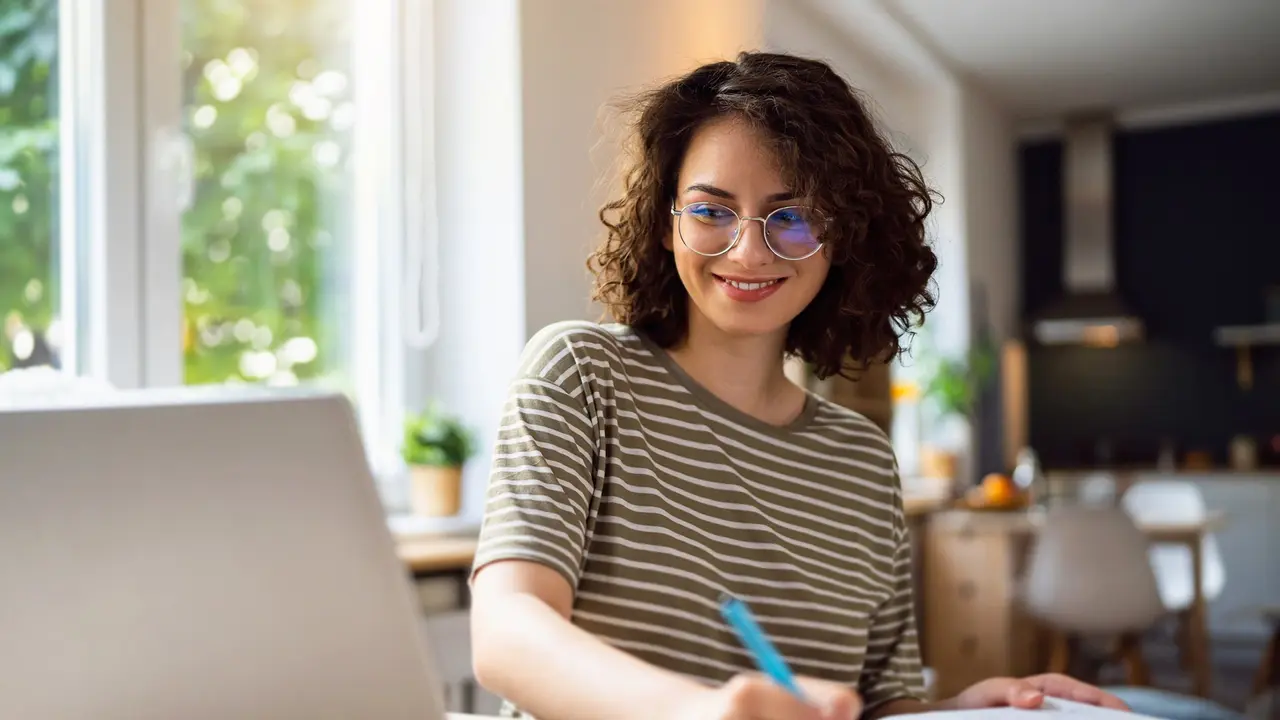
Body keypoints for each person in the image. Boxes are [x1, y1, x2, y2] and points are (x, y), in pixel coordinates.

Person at [468, 51, 1129, 720]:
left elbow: (870, 707)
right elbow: (506, 634)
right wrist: (700, 712)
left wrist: (961, 710)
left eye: (792, 218)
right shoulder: (582, 374)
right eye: (711, 211)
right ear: (669, 225)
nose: (750, 252)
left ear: (839, 238)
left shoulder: (864, 462)